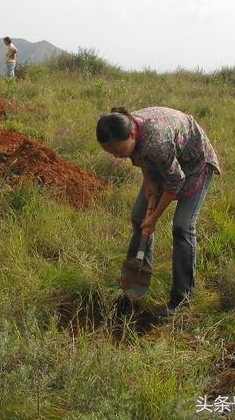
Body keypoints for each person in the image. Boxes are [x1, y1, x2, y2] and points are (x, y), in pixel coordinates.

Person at [96, 106, 221, 316]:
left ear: (132, 135)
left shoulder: (156, 142)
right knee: (138, 217)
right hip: (165, 163)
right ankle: (134, 285)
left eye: (118, 151)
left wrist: (154, 218)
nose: (116, 156)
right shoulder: (128, 126)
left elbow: (176, 180)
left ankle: (182, 300)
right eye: (111, 152)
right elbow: (141, 154)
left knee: (182, 227)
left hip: (193, 164)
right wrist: (148, 180)